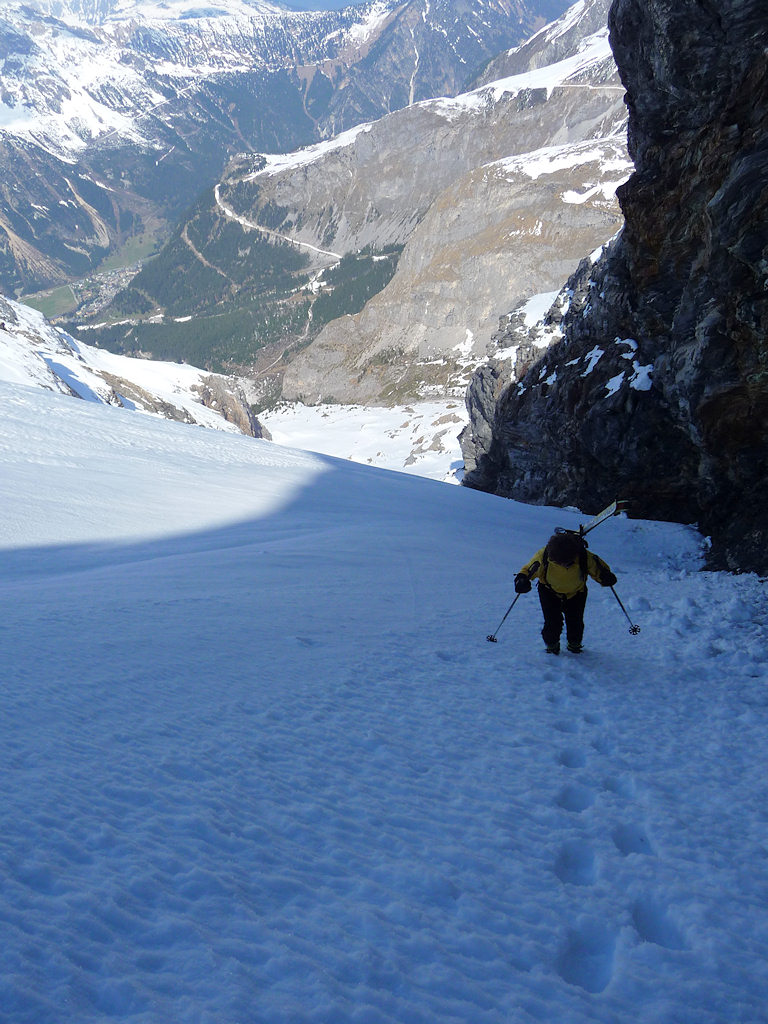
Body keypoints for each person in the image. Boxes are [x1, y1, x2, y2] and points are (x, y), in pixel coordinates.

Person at [515, 531, 617, 655]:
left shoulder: (584, 556)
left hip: (576, 593)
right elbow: (529, 569)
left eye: (566, 562)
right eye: (558, 562)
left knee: (575, 621)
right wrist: (521, 580)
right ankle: (552, 646)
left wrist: (605, 577)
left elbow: (599, 569)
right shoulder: (544, 555)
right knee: (552, 622)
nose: (562, 565)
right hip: (549, 592)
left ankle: (574, 644)